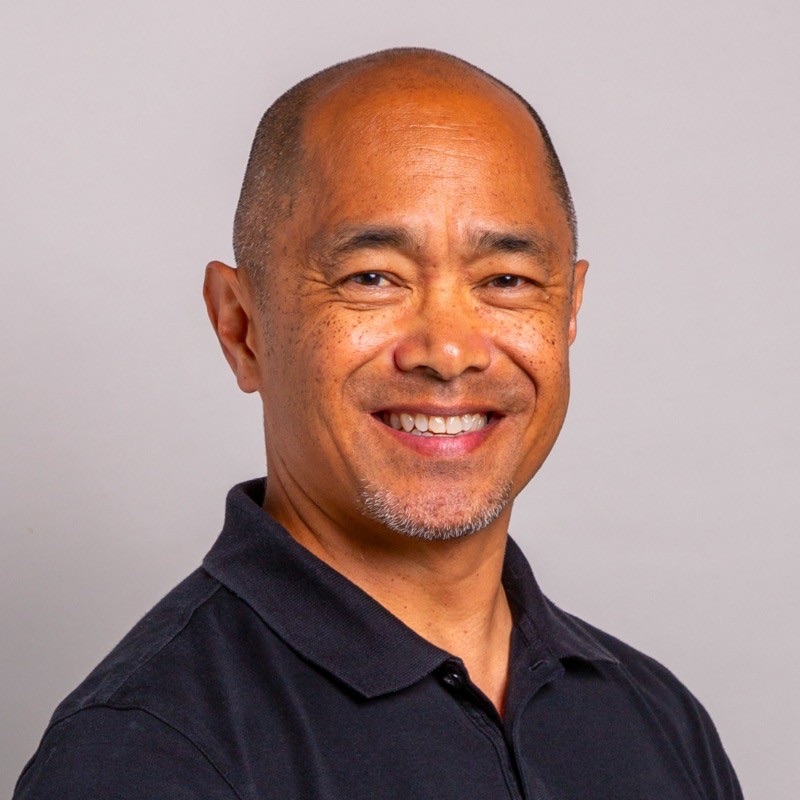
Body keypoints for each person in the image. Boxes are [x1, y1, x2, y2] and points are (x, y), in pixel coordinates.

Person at [13, 48, 742, 799]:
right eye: (372, 278)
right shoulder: (144, 755)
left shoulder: (657, 721)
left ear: (569, 310)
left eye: (507, 280)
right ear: (241, 328)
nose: (449, 351)